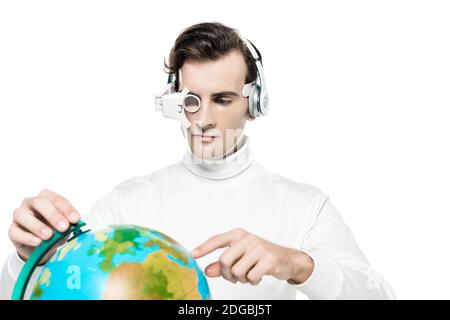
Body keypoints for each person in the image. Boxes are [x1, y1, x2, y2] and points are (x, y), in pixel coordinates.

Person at [0, 22, 395, 300]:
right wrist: (26, 257)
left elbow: (380, 297)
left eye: (222, 99)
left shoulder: (306, 205)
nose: (203, 118)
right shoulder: (125, 203)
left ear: (254, 104)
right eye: (191, 101)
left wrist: (295, 264)